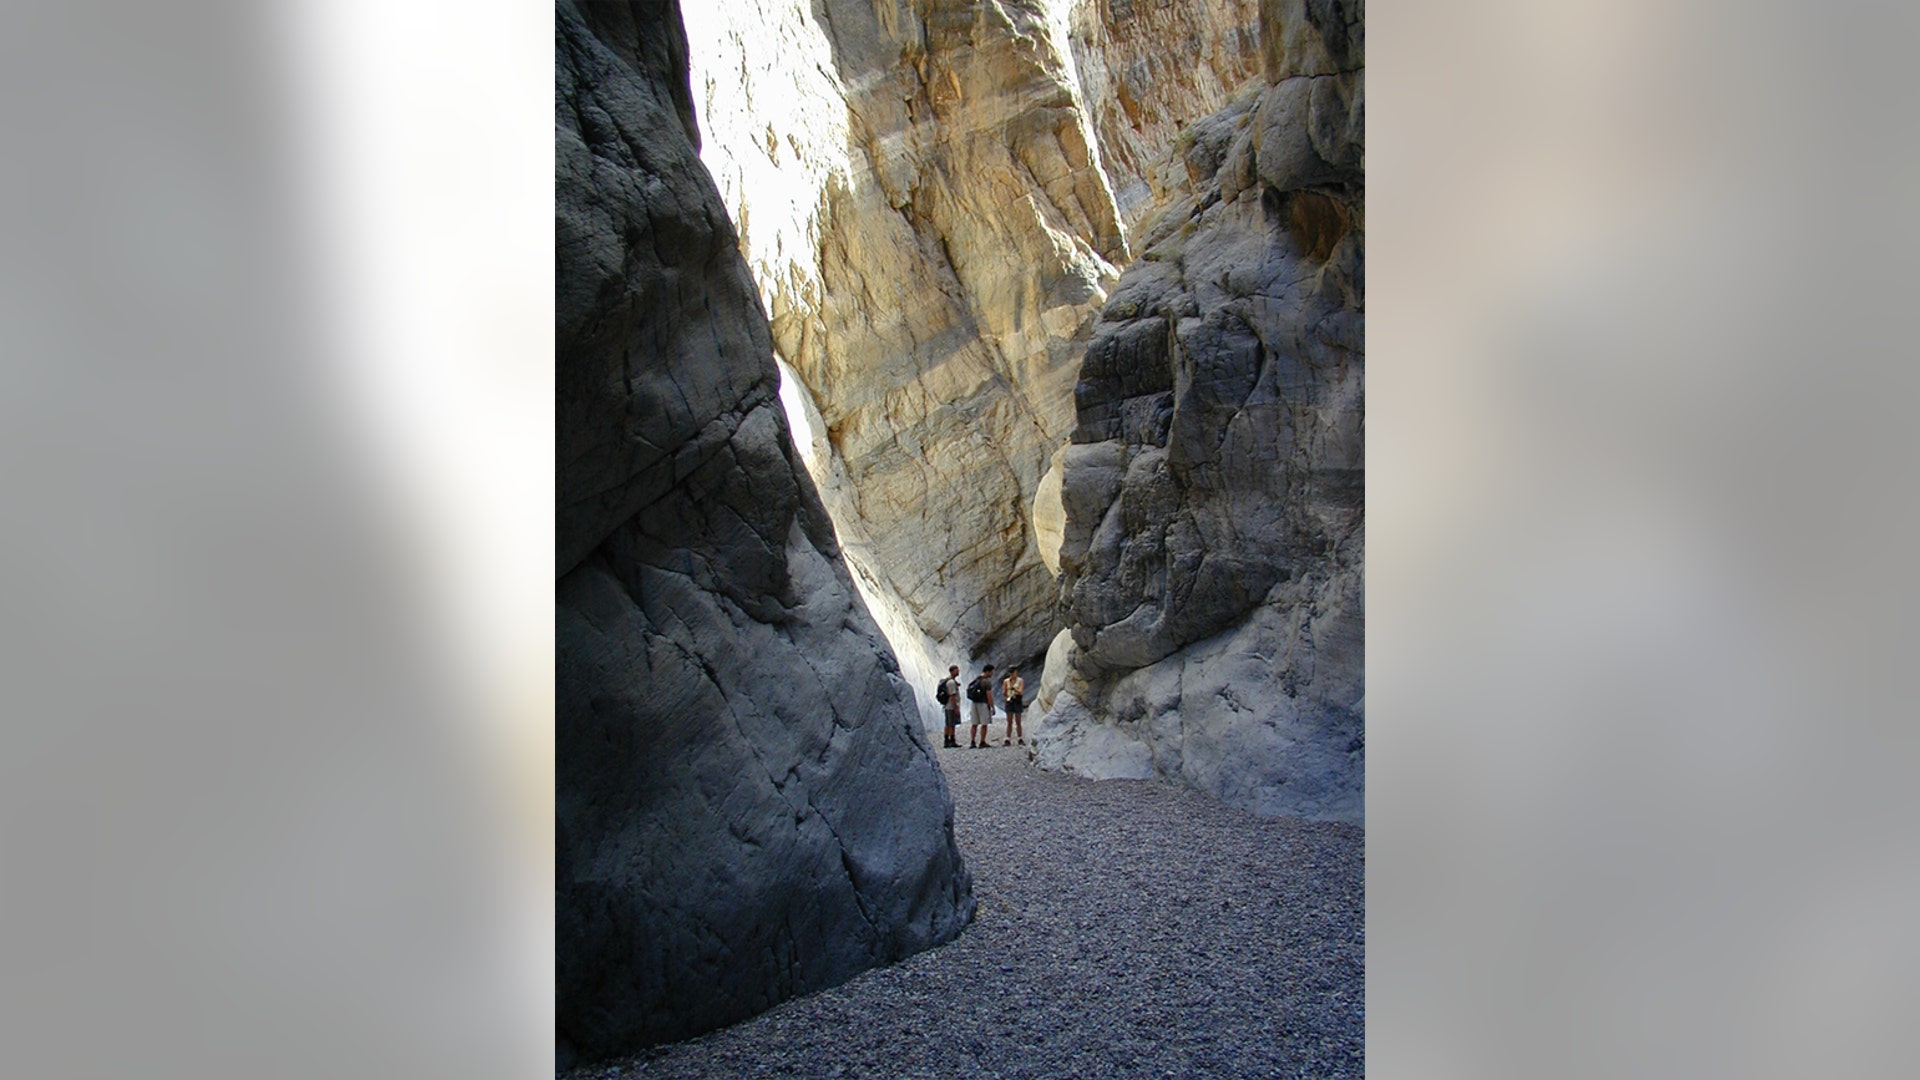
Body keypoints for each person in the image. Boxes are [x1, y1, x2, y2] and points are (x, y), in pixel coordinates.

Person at [967, 665, 996, 749]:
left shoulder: (977, 679)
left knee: (974, 724)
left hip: (974, 703)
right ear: (987, 671)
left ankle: (972, 741)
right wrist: (992, 707)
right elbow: (989, 695)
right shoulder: (986, 682)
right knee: (984, 723)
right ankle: (982, 741)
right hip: (983, 704)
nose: (992, 674)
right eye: (992, 672)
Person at [938, 665, 963, 748]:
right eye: (957, 670)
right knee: (951, 724)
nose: (958, 671)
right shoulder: (951, 683)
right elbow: (952, 696)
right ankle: (951, 741)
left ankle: (947, 740)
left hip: (947, 706)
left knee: (948, 723)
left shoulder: (950, 681)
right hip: (951, 706)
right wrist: (956, 707)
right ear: (952, 671)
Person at [1001, 667, 1026, 746]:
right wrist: (1007, 693)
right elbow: (1004, 692)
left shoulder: (1020, 681)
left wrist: (1014, 689)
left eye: (1013, 672)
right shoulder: (1006, 681)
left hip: (1017, 700)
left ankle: (1020, 738)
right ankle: (1007, 738)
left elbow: (1021, 692)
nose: (1011, 674)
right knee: (1009, 721)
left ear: (1016, 672)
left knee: (1018, 721)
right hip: (1009, 701)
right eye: (1010, 673)